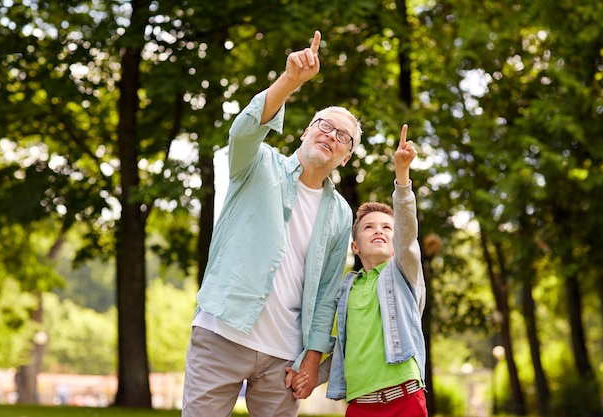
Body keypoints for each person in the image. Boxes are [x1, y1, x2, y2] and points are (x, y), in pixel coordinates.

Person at [181, 30, 363, 417]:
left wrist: (313, 358)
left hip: (283, 357)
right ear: (305, 130)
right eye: (324, 125)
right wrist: (290, 81)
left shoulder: (341, 213)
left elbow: (328, 292)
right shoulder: (257, 163)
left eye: (343, 137)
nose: (330, 136)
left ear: (345, 158)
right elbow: (243, 130)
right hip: (222, 334)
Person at [288, 124, 428, 417]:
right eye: (368, 227)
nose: (379, 232)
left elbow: (407, 234)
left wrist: (402, 175)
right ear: (355, 246)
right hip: (359, 405)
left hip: (404, 399)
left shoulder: (403, 274)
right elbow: (345, 349)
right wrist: (312, 376)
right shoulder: (347, 290)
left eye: (386, 228)